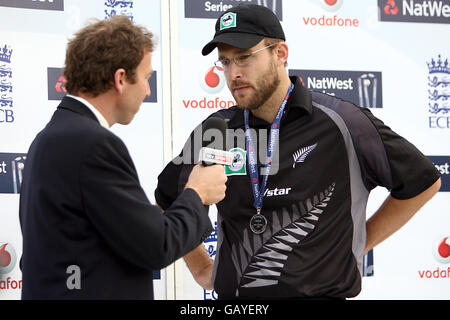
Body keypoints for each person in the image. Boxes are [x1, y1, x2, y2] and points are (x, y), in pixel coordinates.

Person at [155, 4, 441, 299]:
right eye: (225, 62)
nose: (234, 74)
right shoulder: (218, 130)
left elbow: (423, 181)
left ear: (280, 54)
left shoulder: (342, 121)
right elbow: (169, 199)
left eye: (244, 58)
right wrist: (202, 268)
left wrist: (357, 244)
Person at [19, 16, 227, 299]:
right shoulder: (91, 144)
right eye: (146, 77)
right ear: (120, 79)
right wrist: (197, 193)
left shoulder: (51, 137)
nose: (148, 90)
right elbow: (155, 246)